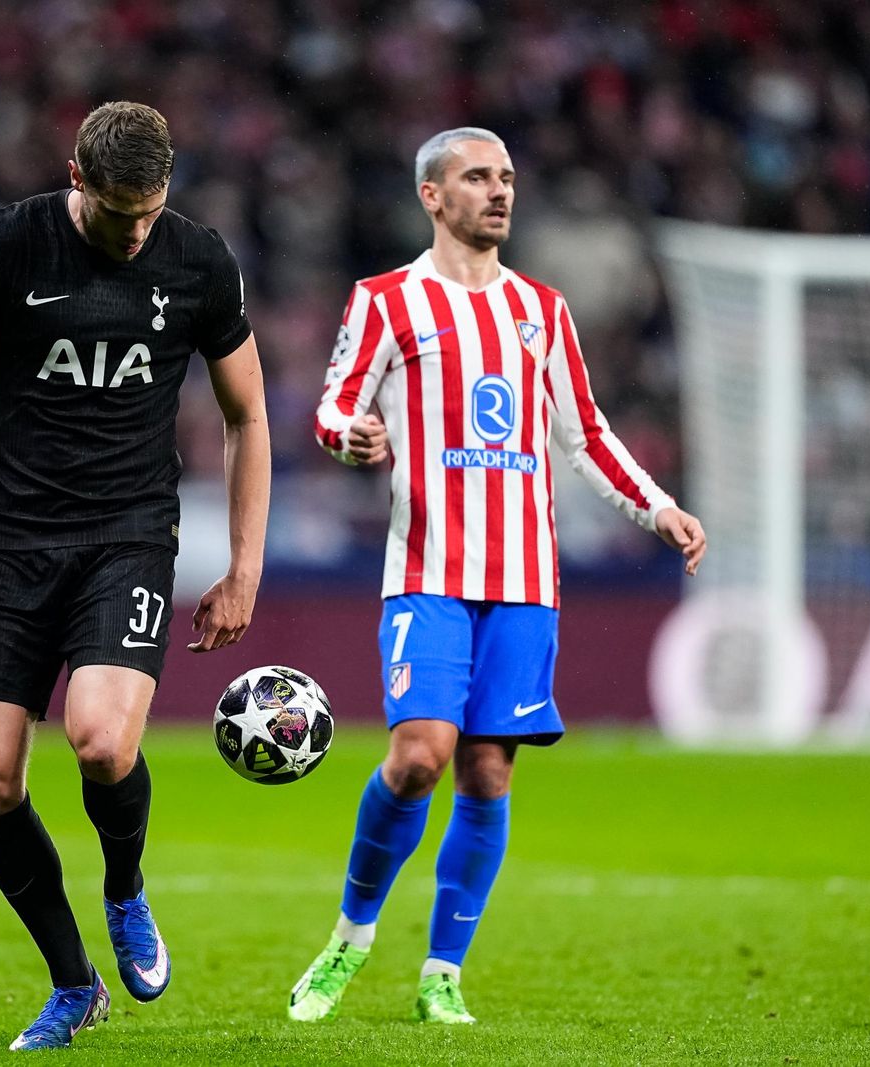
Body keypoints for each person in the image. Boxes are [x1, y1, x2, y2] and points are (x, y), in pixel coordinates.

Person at [290, 127, 707, 1025]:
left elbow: (584, 433)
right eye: (477, 177)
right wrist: (349, 436)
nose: (500, 191)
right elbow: (335, 403)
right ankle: (350, 936)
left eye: (507, 177)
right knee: (419, 754)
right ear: (432, 196)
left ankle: (442, 973)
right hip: (427, 571)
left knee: (485, 772)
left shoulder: (541, 310)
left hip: (524, 582)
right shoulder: (386, 300)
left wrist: (657, 506)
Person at [0, 101, 270, 1051]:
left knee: (100, 742)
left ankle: (125, 886)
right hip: (13, 542)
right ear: (76, 178)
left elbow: (247, 414)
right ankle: (73, 982)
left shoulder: (199, 261)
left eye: (151, 211)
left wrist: (244, 565)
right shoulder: (10, 243)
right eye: (117, 213)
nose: (136, 232)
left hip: (126, 537)